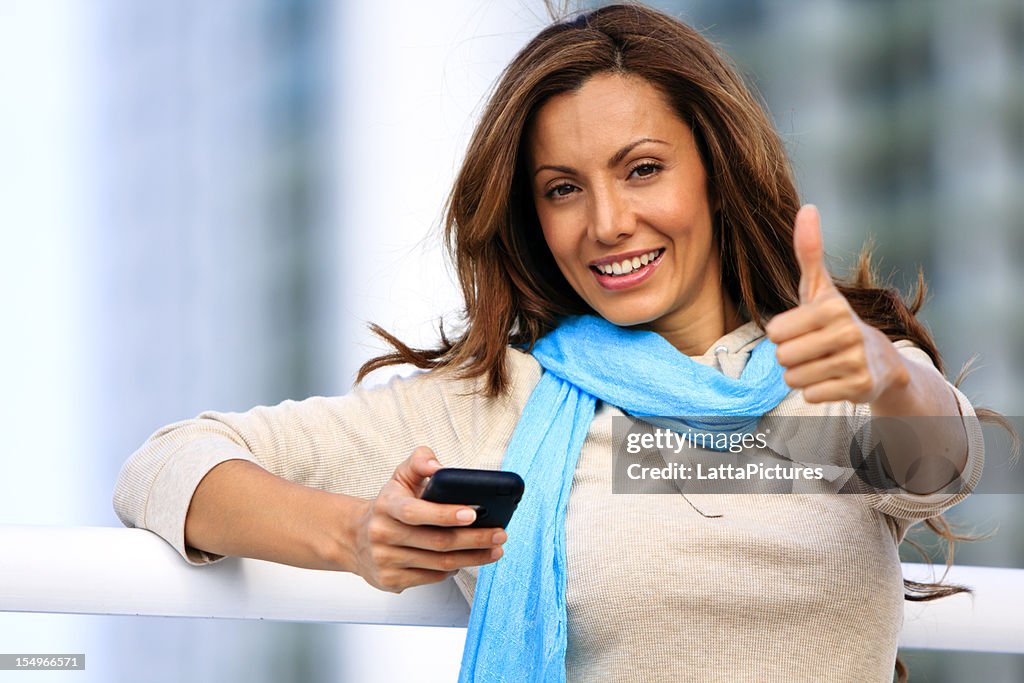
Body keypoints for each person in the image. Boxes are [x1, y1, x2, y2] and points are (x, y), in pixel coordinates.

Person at [113, 4, 993, 681]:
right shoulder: (500, 399)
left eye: (642, 169)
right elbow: (165, 465)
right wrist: (355, 537)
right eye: (563, 188)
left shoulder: (838, 372)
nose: (608, 223)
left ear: (715, 175)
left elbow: (943, 461)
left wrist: (883, 372)